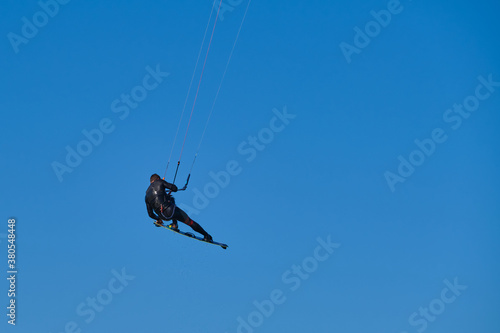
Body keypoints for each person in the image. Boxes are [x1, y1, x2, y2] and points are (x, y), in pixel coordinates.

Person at [145, 173, 213, 241]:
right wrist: (165, 185)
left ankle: (174, 224)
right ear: (157, 179)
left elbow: (150, 214)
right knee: (190, 222)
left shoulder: (146, 195)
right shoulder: (159, 181)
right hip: (171, 211)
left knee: (169, 198)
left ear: (151, 181)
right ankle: (206, 235)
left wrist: (158, 219)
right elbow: (175, 188)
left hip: (163, 217)